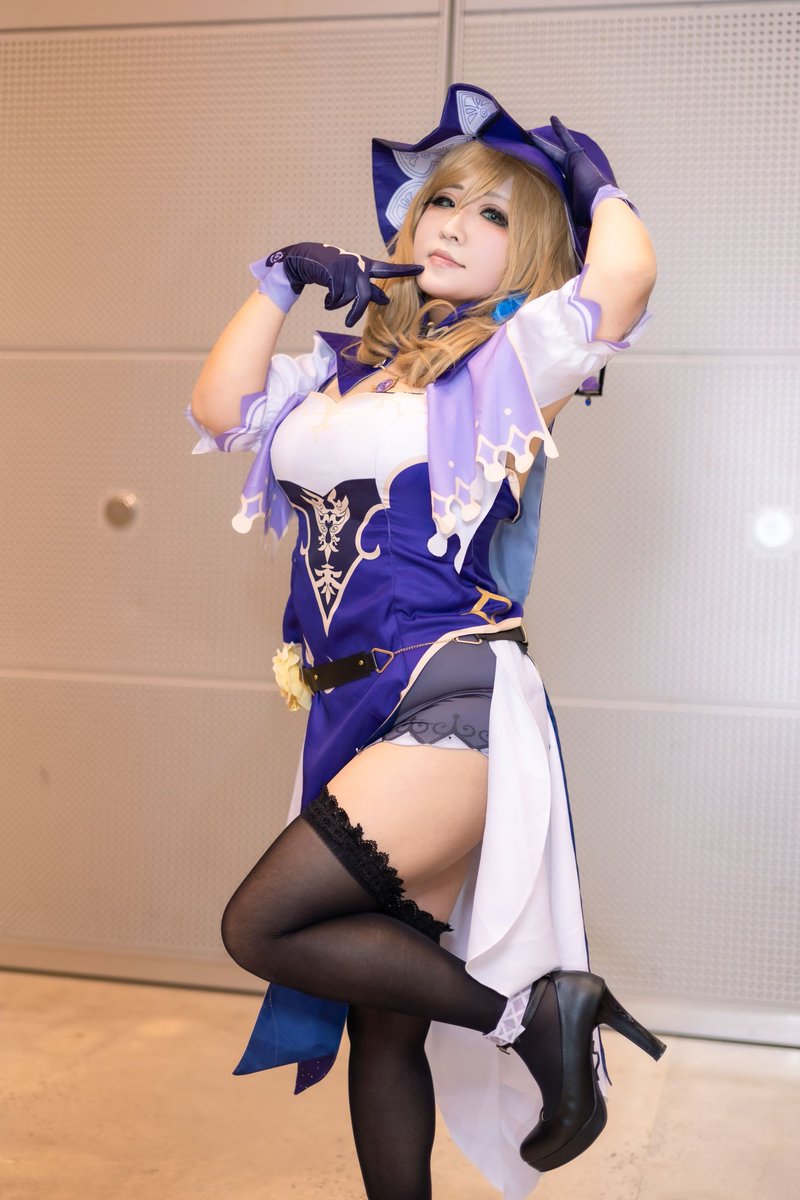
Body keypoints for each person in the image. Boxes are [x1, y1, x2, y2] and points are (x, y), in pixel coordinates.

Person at [188, 84, 665, 1200]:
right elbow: (220, 409)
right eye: (442, 201)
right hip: (345, 708)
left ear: (528, 251)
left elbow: (625, 280)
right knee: (384, 1021)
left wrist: (595, 188)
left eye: (493, 214)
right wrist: (275, 284)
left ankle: (532, 1016)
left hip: (448, 693)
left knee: (261, 922)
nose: (452, 223)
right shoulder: (332, 371)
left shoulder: (511, 365)